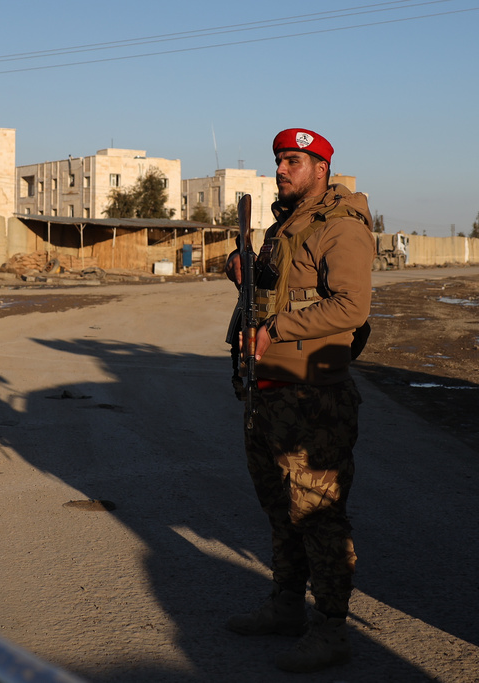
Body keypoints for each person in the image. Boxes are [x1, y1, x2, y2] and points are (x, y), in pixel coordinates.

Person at [224, 129, 374, 673]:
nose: (282, 170)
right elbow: (276, 287)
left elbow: (352, 306)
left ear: (320, 168)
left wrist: (276, 328)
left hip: (314, 395)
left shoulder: (341, 227)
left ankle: (331, 630)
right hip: (269, 390)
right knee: (280, 511)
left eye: (293, 161)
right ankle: (286, 607)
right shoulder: (285, 224)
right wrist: (242, 272)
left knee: (319, 515)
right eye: (280, 161)